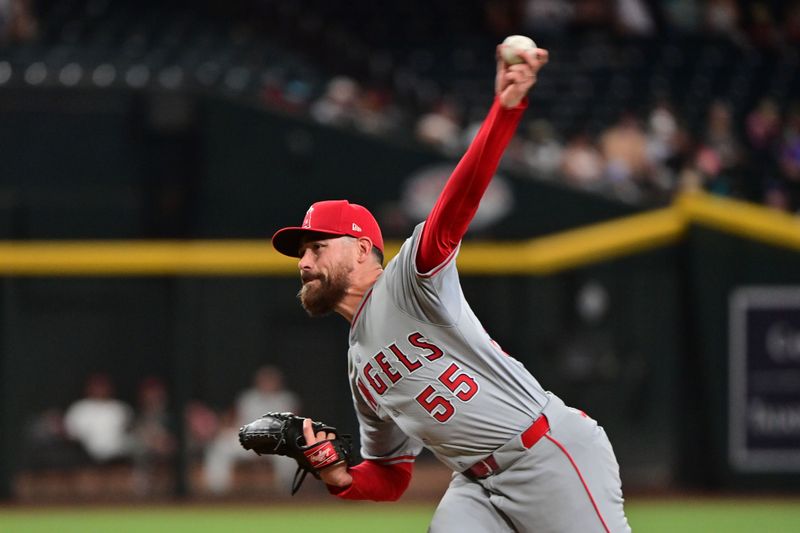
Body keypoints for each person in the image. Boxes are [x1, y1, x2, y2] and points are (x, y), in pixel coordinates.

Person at [270, 43, 630, 533]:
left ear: (360, 250)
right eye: (300, 254)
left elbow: (457, 204)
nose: (304, 261)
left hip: (546, 454)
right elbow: (390, 475)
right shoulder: (359, 366)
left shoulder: (407, 281)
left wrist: (504, 112)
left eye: (316, 247)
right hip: (475, 487)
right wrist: (336, 475)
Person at [204, 365, 300, 493]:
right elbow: (234, 419)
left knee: (291, 449)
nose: (267, 384)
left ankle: (288, 491)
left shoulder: (287, 399)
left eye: (271, 380)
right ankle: (217, 490)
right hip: (248, 439)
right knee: (221, 445)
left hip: (275, 441)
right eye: (264, 380)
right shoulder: (247, 398)